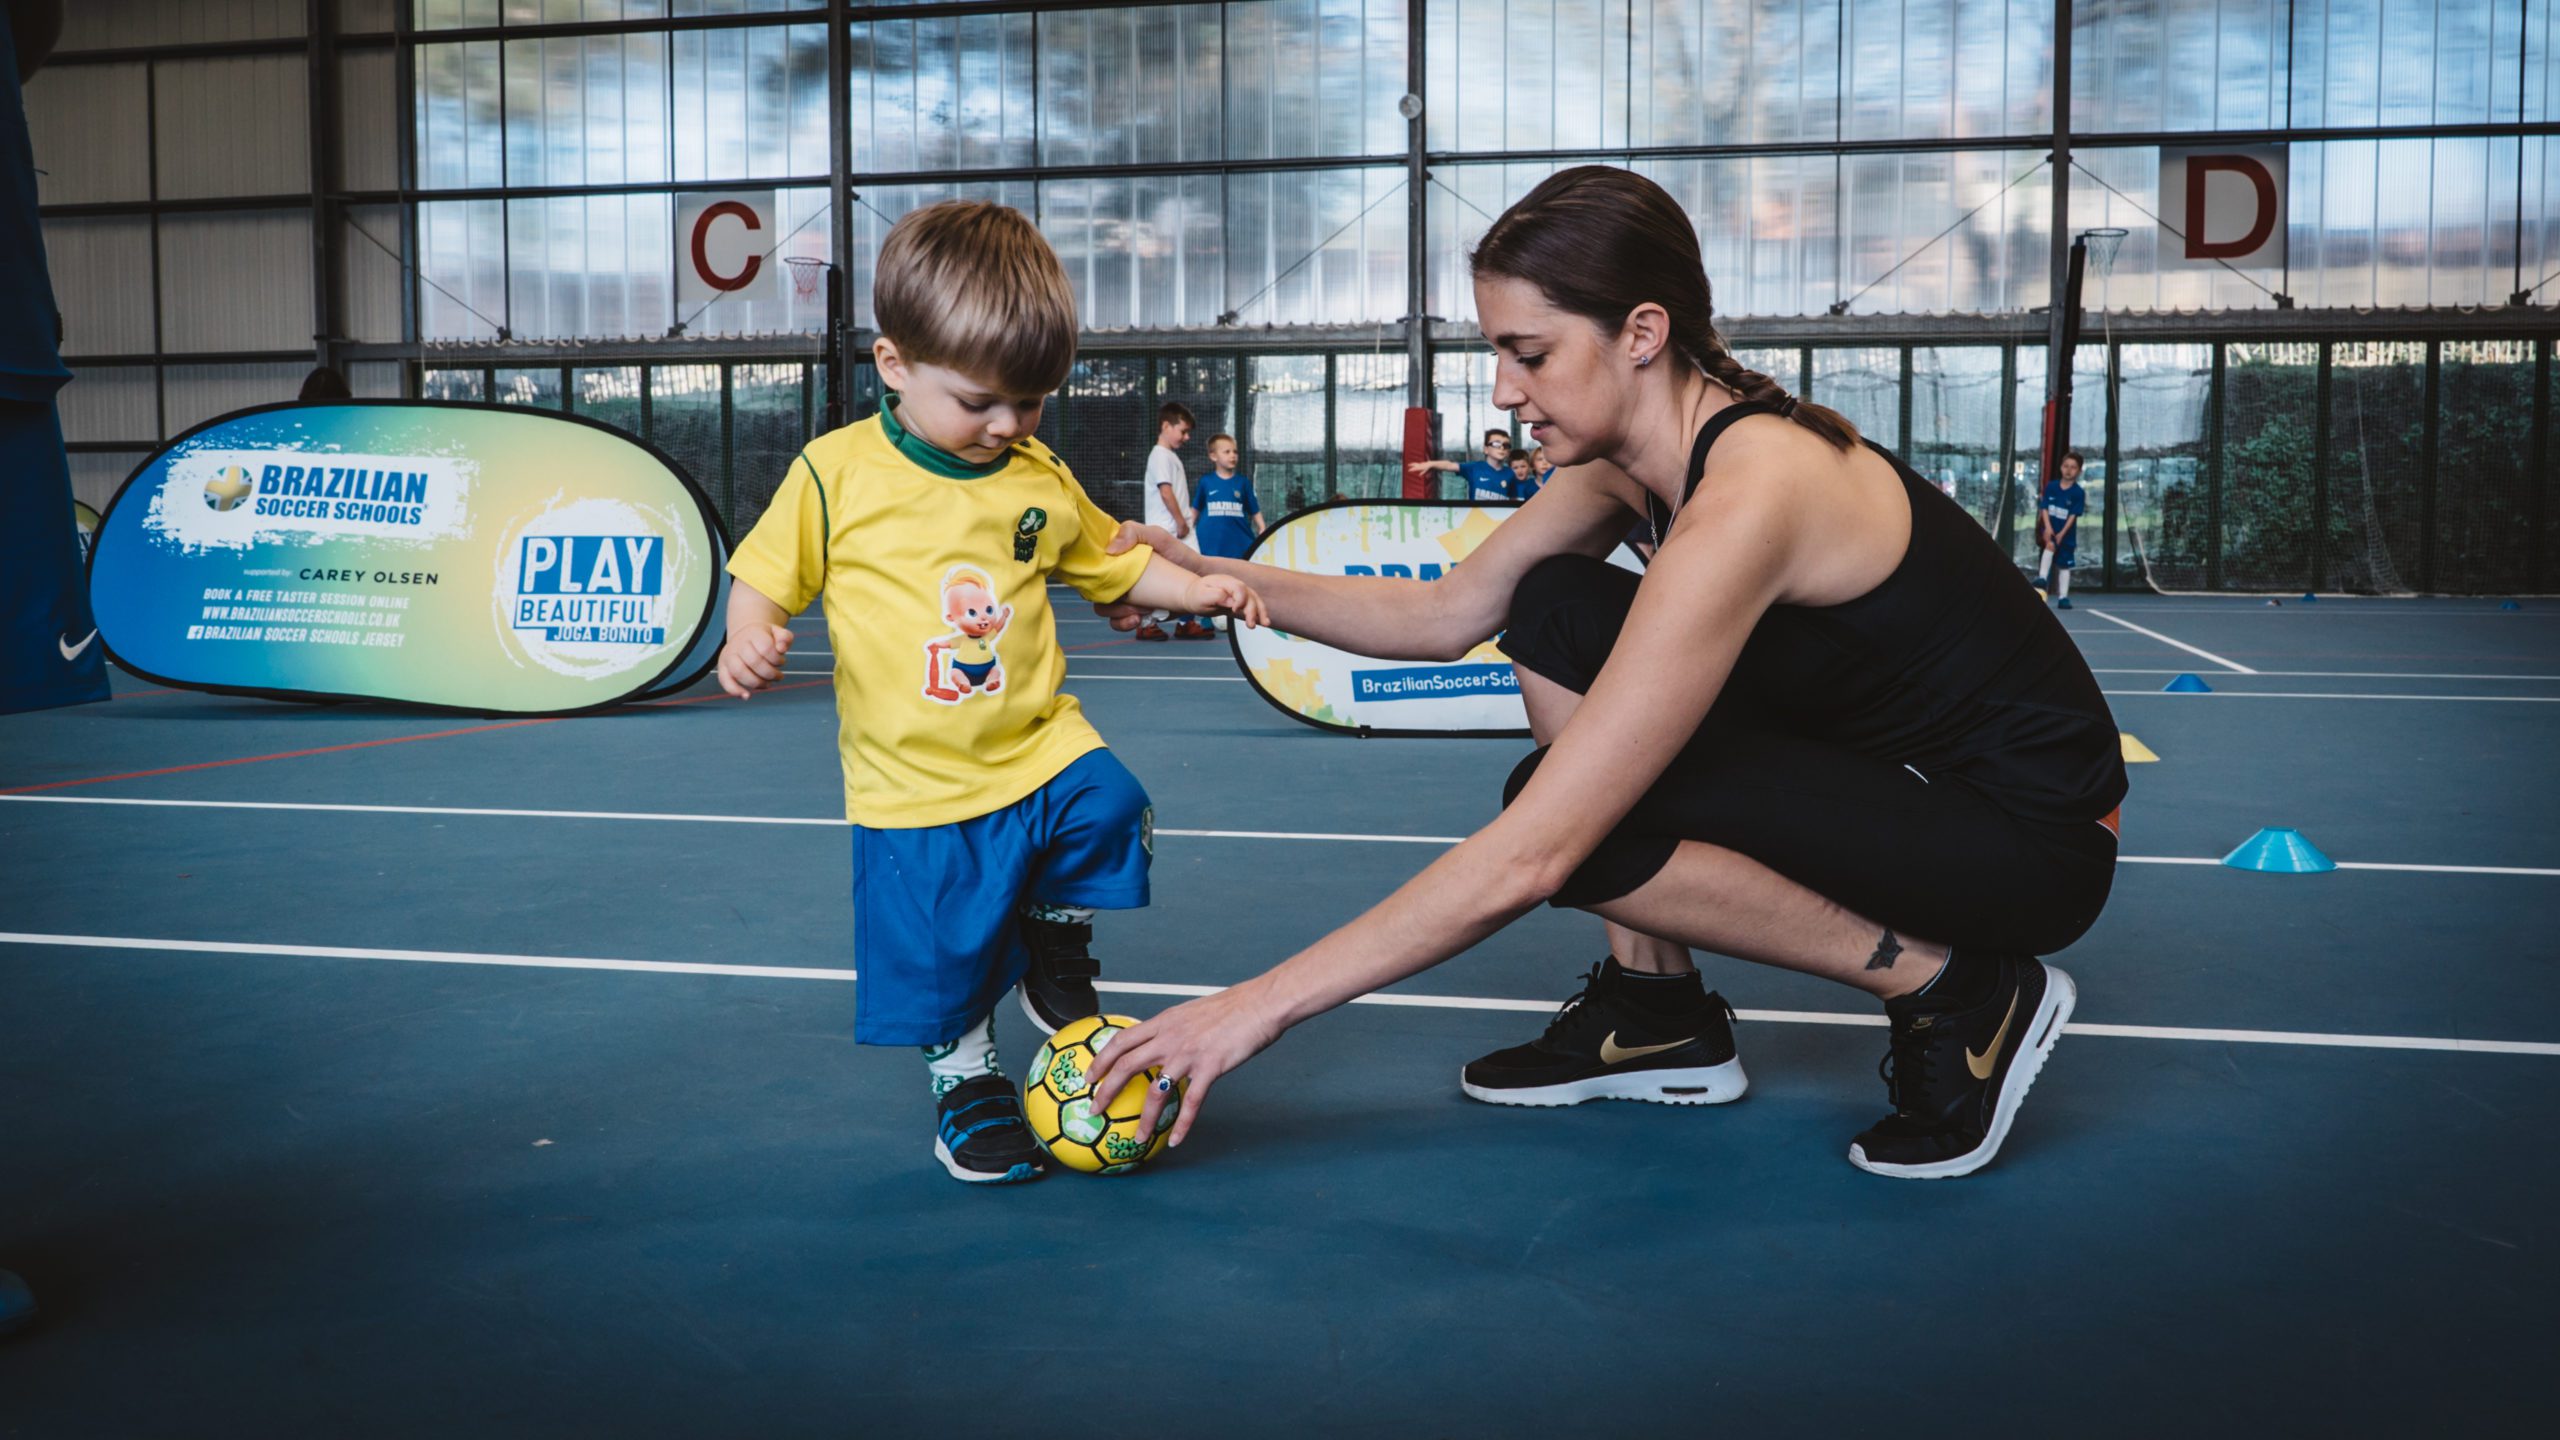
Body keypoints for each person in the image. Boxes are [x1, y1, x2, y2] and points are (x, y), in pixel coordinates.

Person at [1087, 166, 2123, 1180]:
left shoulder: (1755, 490)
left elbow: (1531, 859)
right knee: (1555, 602)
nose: (1503, 389)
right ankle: (1657, 1013)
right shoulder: (1630, 460)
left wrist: (1245, 1009)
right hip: (1898, 790)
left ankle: (1957, 988)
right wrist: (1206, 571)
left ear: (1641, 331)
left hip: (2025, 841)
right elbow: (1445, 614)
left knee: (1565, 822)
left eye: (1528, 353)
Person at [715, 200, 1266, 1184]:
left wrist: (1200, 586)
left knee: (1111, 800)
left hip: (1037, 743)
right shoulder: (837, 474)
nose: (1008, 425)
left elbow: (1112, 561)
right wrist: (749, 634)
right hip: (916, 780)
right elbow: (763, 572)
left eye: (1033, 402)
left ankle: (1054, 939)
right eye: (979, 403)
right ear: (894, 366)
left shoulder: (1034, 473)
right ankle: (965, 1084)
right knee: (946, 955)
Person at [1138, 404, 1215, 641]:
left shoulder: (1169, 456)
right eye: (1183, 431)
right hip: (1170, 528)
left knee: (1195, 573)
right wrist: (1180, 522)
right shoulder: (1159, 455)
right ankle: (1146, 623)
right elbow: (1165, 492)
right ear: (1165, 426)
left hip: (1182, 528)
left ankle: (1185, 622)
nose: (1187, 437)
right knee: (1163, 579)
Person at [1189, 434, 1266, 629]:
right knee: (1210, 578)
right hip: (1211, 541)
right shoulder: (1206, 482)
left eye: (1235, 452)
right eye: (1227, 452)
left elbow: (1254, 510)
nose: (1233, 456)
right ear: (1213, 456)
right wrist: (1187, 528)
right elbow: (1195, 509)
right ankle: (1207, 616)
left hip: (1237, 541)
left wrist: (1262, 527)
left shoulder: (1242, 483)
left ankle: (1239, 614)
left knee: (1238, 577)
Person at [2035, 450, 2086, 610]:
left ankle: (2063, 597)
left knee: (2064, 565)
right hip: (2051, 528)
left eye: (2073, 467)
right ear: (2061, 467)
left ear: (2078, 471)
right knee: (2049, 547)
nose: (2068, 470)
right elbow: (2044, 508)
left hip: (2066, 534)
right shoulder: (2051, 487)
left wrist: (2062, 533)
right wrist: (2048, 528)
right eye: (2066, 466)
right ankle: (2042, 579)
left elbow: (2073, 515)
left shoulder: (2078, 493)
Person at [1408, 427, 1516, 501]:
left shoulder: (1510, 474)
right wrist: (1430, 464)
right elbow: (1449, 465)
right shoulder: (1475, 468)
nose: (1501, 448)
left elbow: (1513, 499)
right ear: (1486, 449)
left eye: (1505, 445)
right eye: (1496, 443)